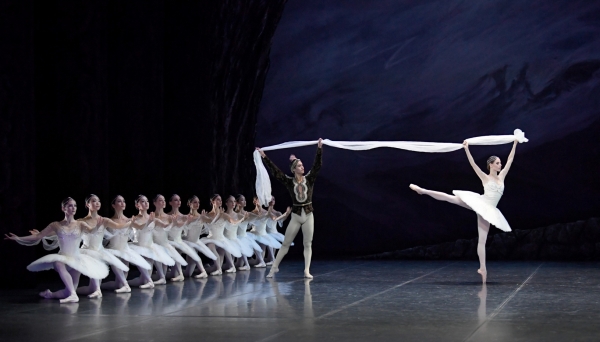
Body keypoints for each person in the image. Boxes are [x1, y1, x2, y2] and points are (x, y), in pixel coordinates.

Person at [409, 139, 519, 283]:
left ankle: (483, 269)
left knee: (482, 241)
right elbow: (473, 164)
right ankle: (423, 191)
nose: (501, 164)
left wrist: (515, 143)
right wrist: (467, 149)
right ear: (491, 165)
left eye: (500, 163)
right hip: (481, 203)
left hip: (489, 210)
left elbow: (510, 159)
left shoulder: (502, 176)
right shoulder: (485, 178)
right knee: (451, 198)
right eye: (498, 163)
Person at [4, 197, 108, 303]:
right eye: (70, 205)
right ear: (63, 208)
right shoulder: (56, 225)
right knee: (58, 263)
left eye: (75, 205)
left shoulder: (80, 224)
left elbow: (91, 232)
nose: (73, 208)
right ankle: (73, 295)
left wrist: (97, 226)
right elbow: (38, 236)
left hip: (76, 261)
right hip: (63, 258)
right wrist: (18, 238)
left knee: (68, 291)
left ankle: (50, 294)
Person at [256, 138, 323, 279]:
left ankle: (306, 270)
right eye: (299, 166)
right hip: (297, 215)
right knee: (285, 243)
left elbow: (317, 166)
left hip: (308, 214)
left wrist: (319, 149)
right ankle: (274, 268)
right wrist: (264, 157)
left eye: (302, 165)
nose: (302, 167)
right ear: (294, 170)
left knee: (307, 243)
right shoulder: (289, 181)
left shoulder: (309, 179)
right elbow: (276, 172)